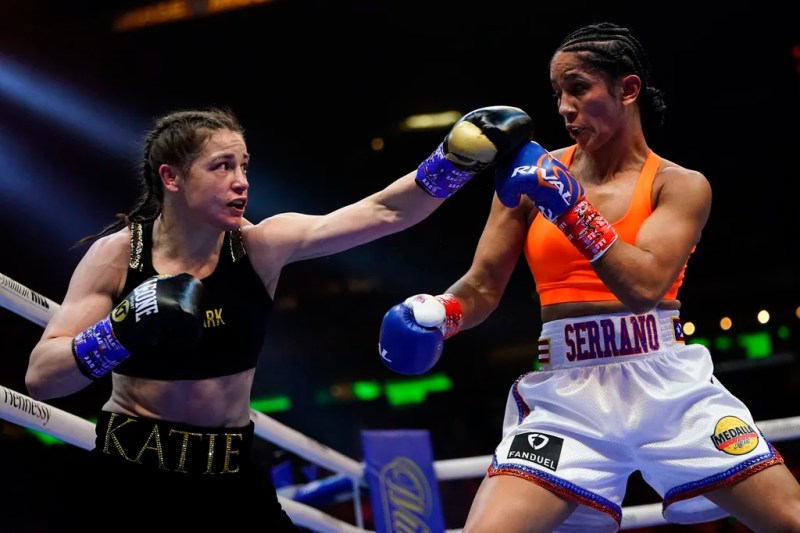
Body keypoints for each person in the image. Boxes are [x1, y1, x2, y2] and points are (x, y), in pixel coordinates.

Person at [24, 105, 534, 530]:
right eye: (222, 167)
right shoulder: (119, 257)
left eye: (244, 166)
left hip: (230, 474)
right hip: (129, 472)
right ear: (171, 177)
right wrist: (118, 330)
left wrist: (456, 160)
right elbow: (42, 378)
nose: (241, 182)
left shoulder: (260, 246)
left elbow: (386, 211)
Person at [378, 22, 800, 532]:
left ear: (628, 89)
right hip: (568, 395)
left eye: (578, 88)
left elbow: (643, 287)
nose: (564, 107)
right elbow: (482, 285)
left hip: (667, 383)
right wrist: (441, 313)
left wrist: (569, 206)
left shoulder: (679, 185)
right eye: (558, 93)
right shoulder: (532, 176)